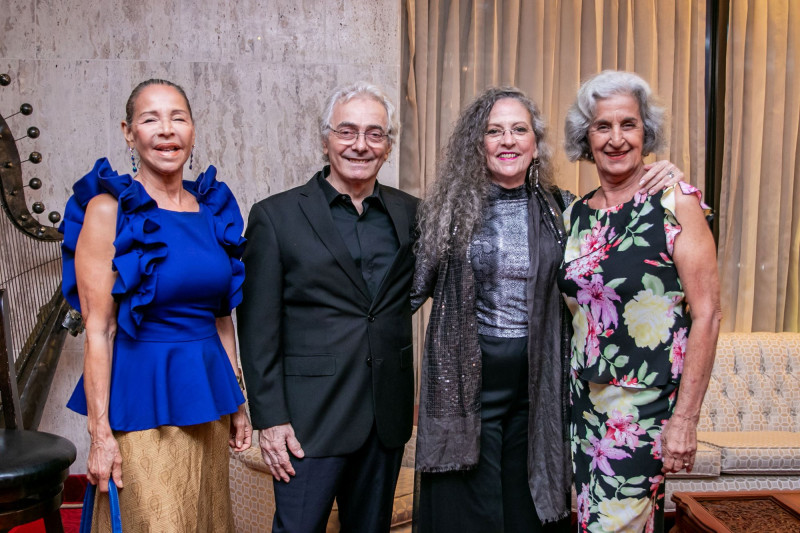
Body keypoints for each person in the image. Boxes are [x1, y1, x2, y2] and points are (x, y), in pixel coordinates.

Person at [411, 86, 682, 533]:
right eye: (494, 131)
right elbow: (407, 291)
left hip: (540, 385)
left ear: (536, 143)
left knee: (527, 510)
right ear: (477, 144)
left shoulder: (564, 210)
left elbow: (619, 231)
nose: (508, 140)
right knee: (470, 512)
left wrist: (665, 174)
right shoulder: (447, 212)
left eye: (520, 129)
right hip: (468, 383)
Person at [60, 79, 252, 531]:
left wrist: (238, 400)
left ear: (193, 129)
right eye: (150, 119)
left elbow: (222, 315)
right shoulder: (110, 211)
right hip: (142, 396)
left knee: (205, 519)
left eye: (177, 117)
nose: (166, 130)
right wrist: (99, 433)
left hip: (207, 396)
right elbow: (99, 330)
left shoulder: (213, 210)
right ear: (129, 132)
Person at [237, 81, 418, 533]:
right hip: (307, 421)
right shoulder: (274, 216)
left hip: (384, 416)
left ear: (389, 146)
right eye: (347, 131)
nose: (361, 145)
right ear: (325, 140)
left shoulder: (414, 214)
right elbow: (257, 328)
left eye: (375, 134)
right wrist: (271, 418)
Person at [558, 70, 721, 532]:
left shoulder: (675, 202)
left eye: (627, 124)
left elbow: (707, 315)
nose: (615, 139)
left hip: (644, 410)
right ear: (585, 138)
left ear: (645, 133)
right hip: (583, 405)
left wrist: (684, 420)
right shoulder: (575, 213)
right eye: (602, 126)